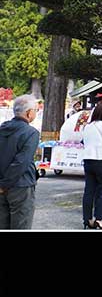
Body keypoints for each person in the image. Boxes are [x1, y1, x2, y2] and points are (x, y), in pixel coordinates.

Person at [0, 94, 39, 229]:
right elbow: (21, 162)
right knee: (21, 225)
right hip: (21, 185)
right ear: (28, 113)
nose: (36, 113)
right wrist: (5, 184)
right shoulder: (30, 132)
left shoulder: (2, 128)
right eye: (35, 110)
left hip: (2, 184)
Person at [78, 102, 102, 230]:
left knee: (89, 191)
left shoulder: (87, 127)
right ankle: (99, 219)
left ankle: (87, 219)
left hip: (88, 160)